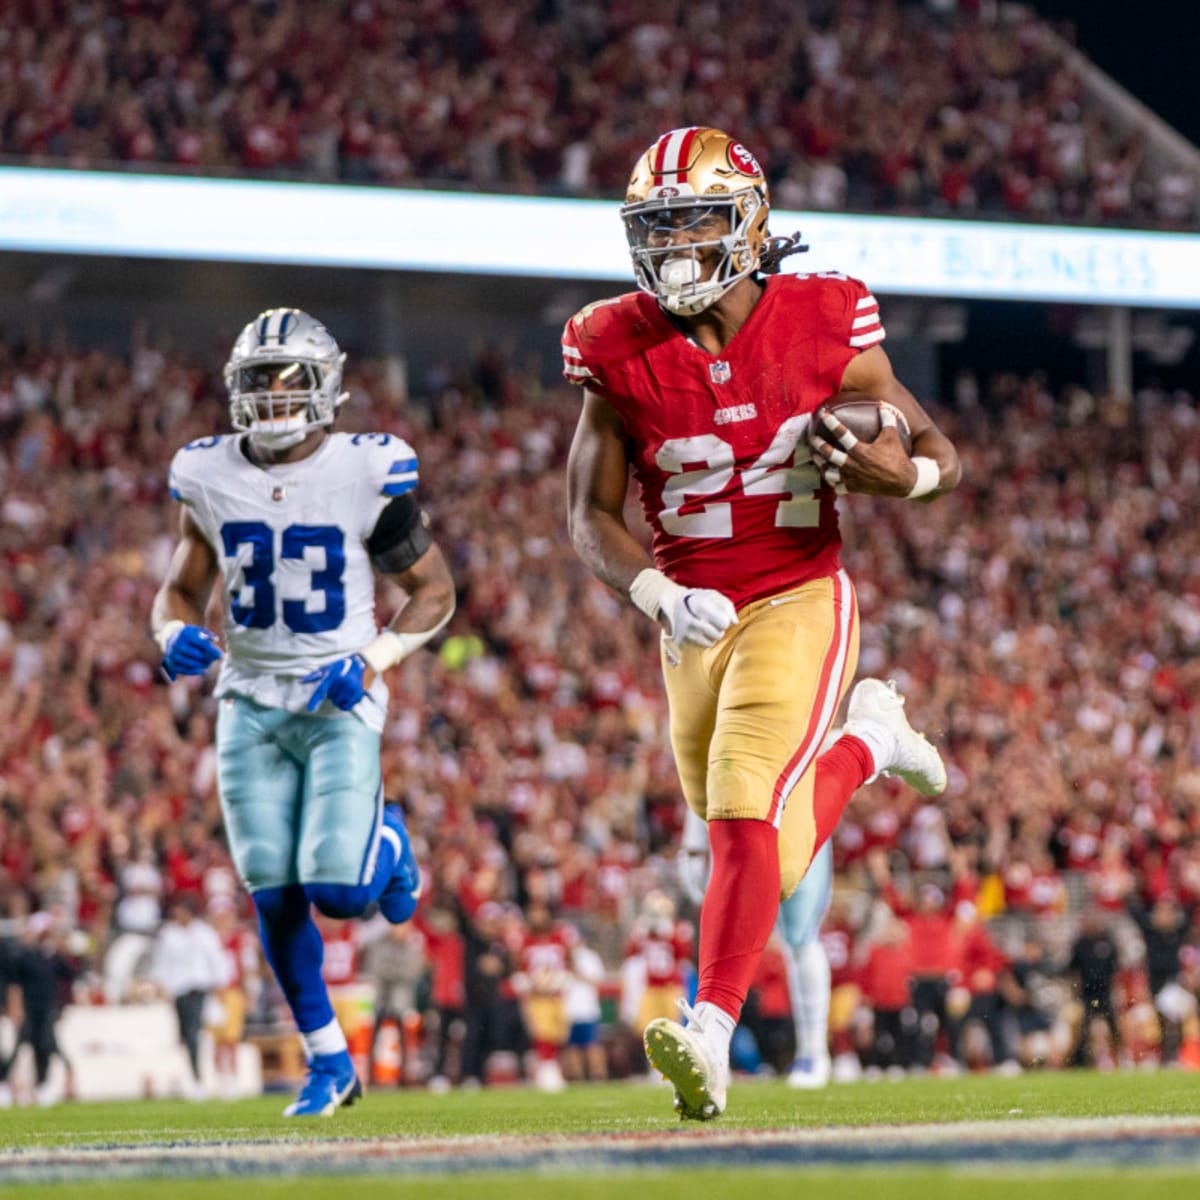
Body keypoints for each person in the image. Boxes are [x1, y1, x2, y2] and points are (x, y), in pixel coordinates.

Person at [563, 126, 960, 1119]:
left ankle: (712, 1028)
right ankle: (868, 741)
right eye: (656, 228)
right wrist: (653, 592)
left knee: (744, 802)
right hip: (691, 618)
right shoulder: (616, 342)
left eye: (694, 220)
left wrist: (901, 476)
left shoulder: (826, 318)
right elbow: (588, 515)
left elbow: (939, 448)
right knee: (745, 835)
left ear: (748, 221)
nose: (675, 247)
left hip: (797, 592)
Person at [150, 308, 456, 1116]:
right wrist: (170, 629)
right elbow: (182, 586)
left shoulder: (367, 471)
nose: (277, 398)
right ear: (234, 392)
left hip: (334, 701)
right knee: (273, 895)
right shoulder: (207, 473)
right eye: (261, 383)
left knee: (341, 894)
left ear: (329, 387)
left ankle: (389, 844)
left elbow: (435, 591)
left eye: (293, 382)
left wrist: (375, 659)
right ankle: (330, 1064)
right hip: (247, 704)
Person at [680, 807, 835, 1087]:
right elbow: (703, 763)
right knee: (723, 937)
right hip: (737, 816)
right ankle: (711, 1050)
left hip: (797, 817)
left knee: (801, 937)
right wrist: (693, 838)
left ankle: (813, 1052)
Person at [150, 896, 230, 1099]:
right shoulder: (168, 934)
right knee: (185, 1035)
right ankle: (193, 1078)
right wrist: (161, 984)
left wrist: (220, 983)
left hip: (200, 987)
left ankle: (200, 1080)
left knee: (194, 1033)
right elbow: (162, 962)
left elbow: (216, 958)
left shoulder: (204, 933)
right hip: (179, 990)